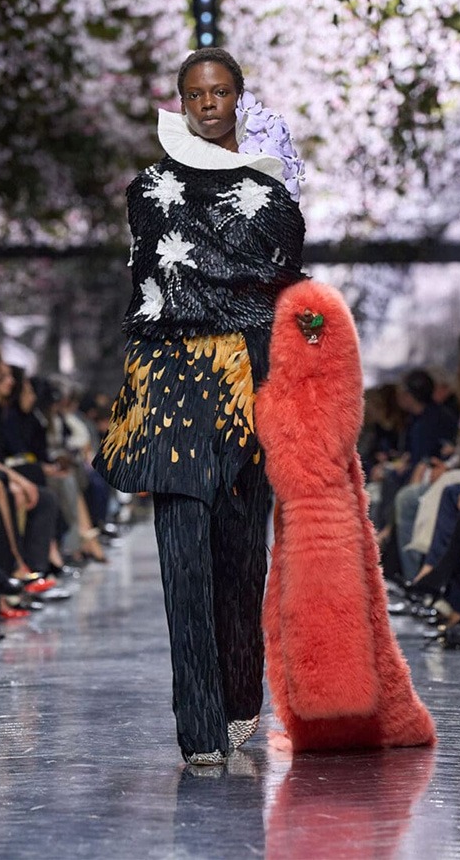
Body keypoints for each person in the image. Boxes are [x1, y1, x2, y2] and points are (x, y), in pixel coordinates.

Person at [93, 48, 305, 765]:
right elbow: (160, 275)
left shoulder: (273, 193)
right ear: (181, 101)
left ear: (239, 97)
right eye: (195, 94)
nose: (208, 103)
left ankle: (241, 697)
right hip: (171, 377)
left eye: (219, 92)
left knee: (241, 553)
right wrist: (235, 287)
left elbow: (280, 277)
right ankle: (200, 729)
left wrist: (226, 288)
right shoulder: (149, 188)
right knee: (182, 556)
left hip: (248, 378)